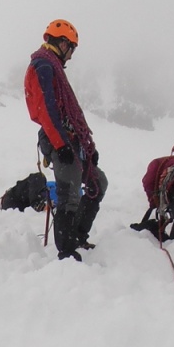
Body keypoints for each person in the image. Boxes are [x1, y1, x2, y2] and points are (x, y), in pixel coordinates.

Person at [23, 19, 108, 261]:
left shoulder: (50, 67)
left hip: (67, 139)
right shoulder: (44, 66)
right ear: (62, 44)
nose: (71, 56)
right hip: (58, 139)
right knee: (70, 191)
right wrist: (60, 146)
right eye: (71, 49)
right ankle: (67, 249)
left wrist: (87, 152)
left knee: (97, 183)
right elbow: (46, 108)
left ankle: (77, 236)